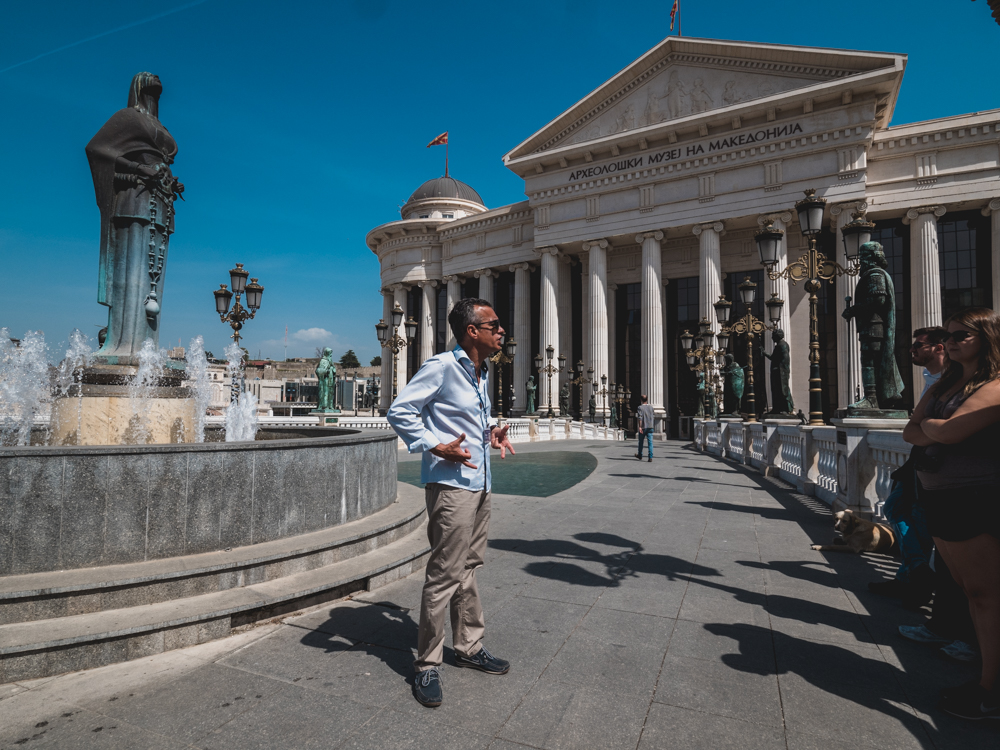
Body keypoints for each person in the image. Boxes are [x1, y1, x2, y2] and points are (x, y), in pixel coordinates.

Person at [387, 298, 515, 708]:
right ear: (471, 331)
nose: (501, 331)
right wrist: (435, 446)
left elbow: (466, 422)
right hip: (451, 486)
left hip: (480, 482)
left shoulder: (480, 374)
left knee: (469, 566)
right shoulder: (442, 366)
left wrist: (491, 432)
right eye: (493, 325)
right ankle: (427, 664)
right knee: (445, 572)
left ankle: (469, 646)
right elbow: (400, 411)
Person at [902, 307, 1000, 720]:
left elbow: (950, 430)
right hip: (939, 497)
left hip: (973, 499)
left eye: (963, 336)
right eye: (951, 335)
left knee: (986, 594)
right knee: (970, 592)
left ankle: (990, 691)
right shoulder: (946, 382)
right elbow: (911, 429)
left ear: (988, 339)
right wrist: (932, 428)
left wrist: (933, 428)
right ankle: (986, 679)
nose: (952, 342)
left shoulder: (994, 383)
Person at [86, 72, 184, 360]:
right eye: (148, 77)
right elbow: (96, 149)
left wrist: (170, 181)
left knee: (152, 280)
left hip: (161, 203)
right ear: (139, 86)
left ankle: (145, 347)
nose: (155, 77)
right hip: (134, 200)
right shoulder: (128, 117)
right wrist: (139, 169)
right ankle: (124, 346)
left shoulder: (159, 125)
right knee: (132, 274)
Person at [871, 327, 947, 605]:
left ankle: (914, 576)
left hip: (936, 460)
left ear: (939, 348)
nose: (912, 350)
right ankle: (915, 571)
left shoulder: (951, 380)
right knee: (899, 508)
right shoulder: (931, 378)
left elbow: (925, 426)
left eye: (919, 345)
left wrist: (925, 430)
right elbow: (913, 427)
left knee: (915, 515)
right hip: (920, 455)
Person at [634, 394, 655, 462]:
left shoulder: (640, 407)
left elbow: (640, 418)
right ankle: (650, 457)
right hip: (650, 426)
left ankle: (640, 455)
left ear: (641, 400)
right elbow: (653, 416)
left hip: (643, 426)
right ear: (647, 400)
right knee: (650, 442)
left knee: (641, 442)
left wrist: (640, 427)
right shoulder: (651, 407)